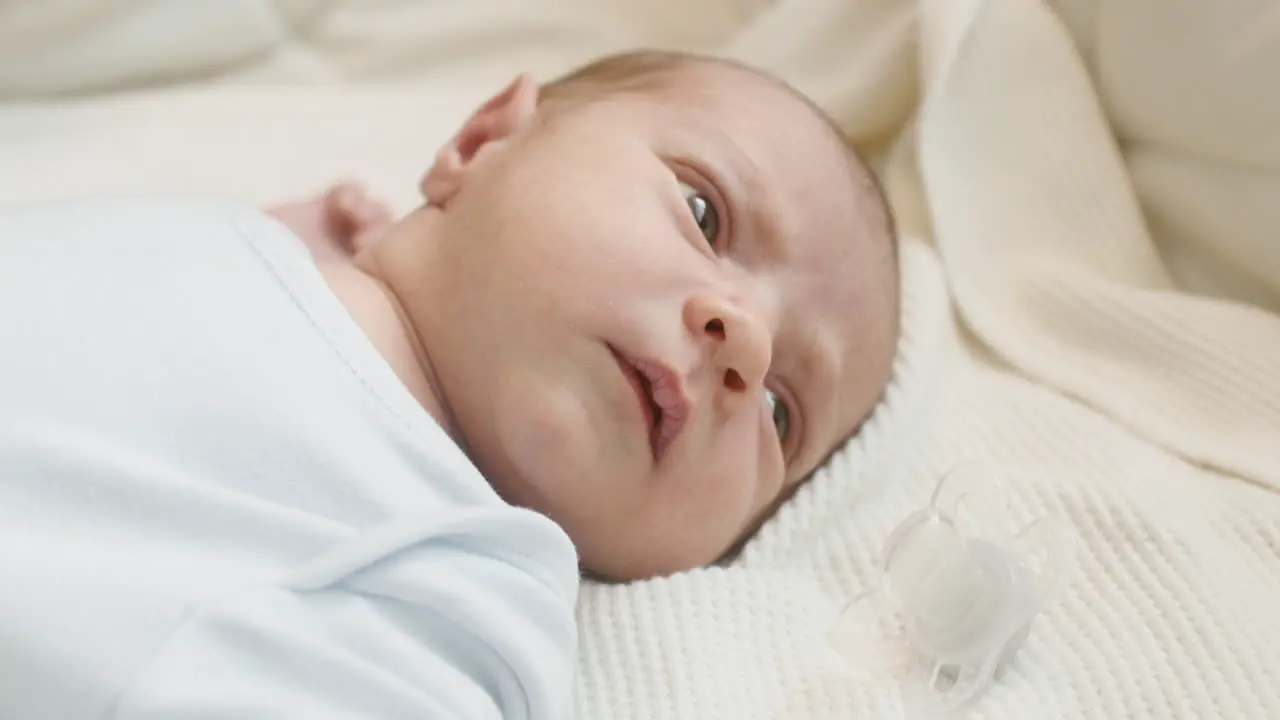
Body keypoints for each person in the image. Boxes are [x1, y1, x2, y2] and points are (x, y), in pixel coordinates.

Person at [0, 51, 897, 718]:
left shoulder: (471, 593)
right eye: (704, 214)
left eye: (782, 413)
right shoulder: (257, 249)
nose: (744, 342)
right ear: (481, 141)